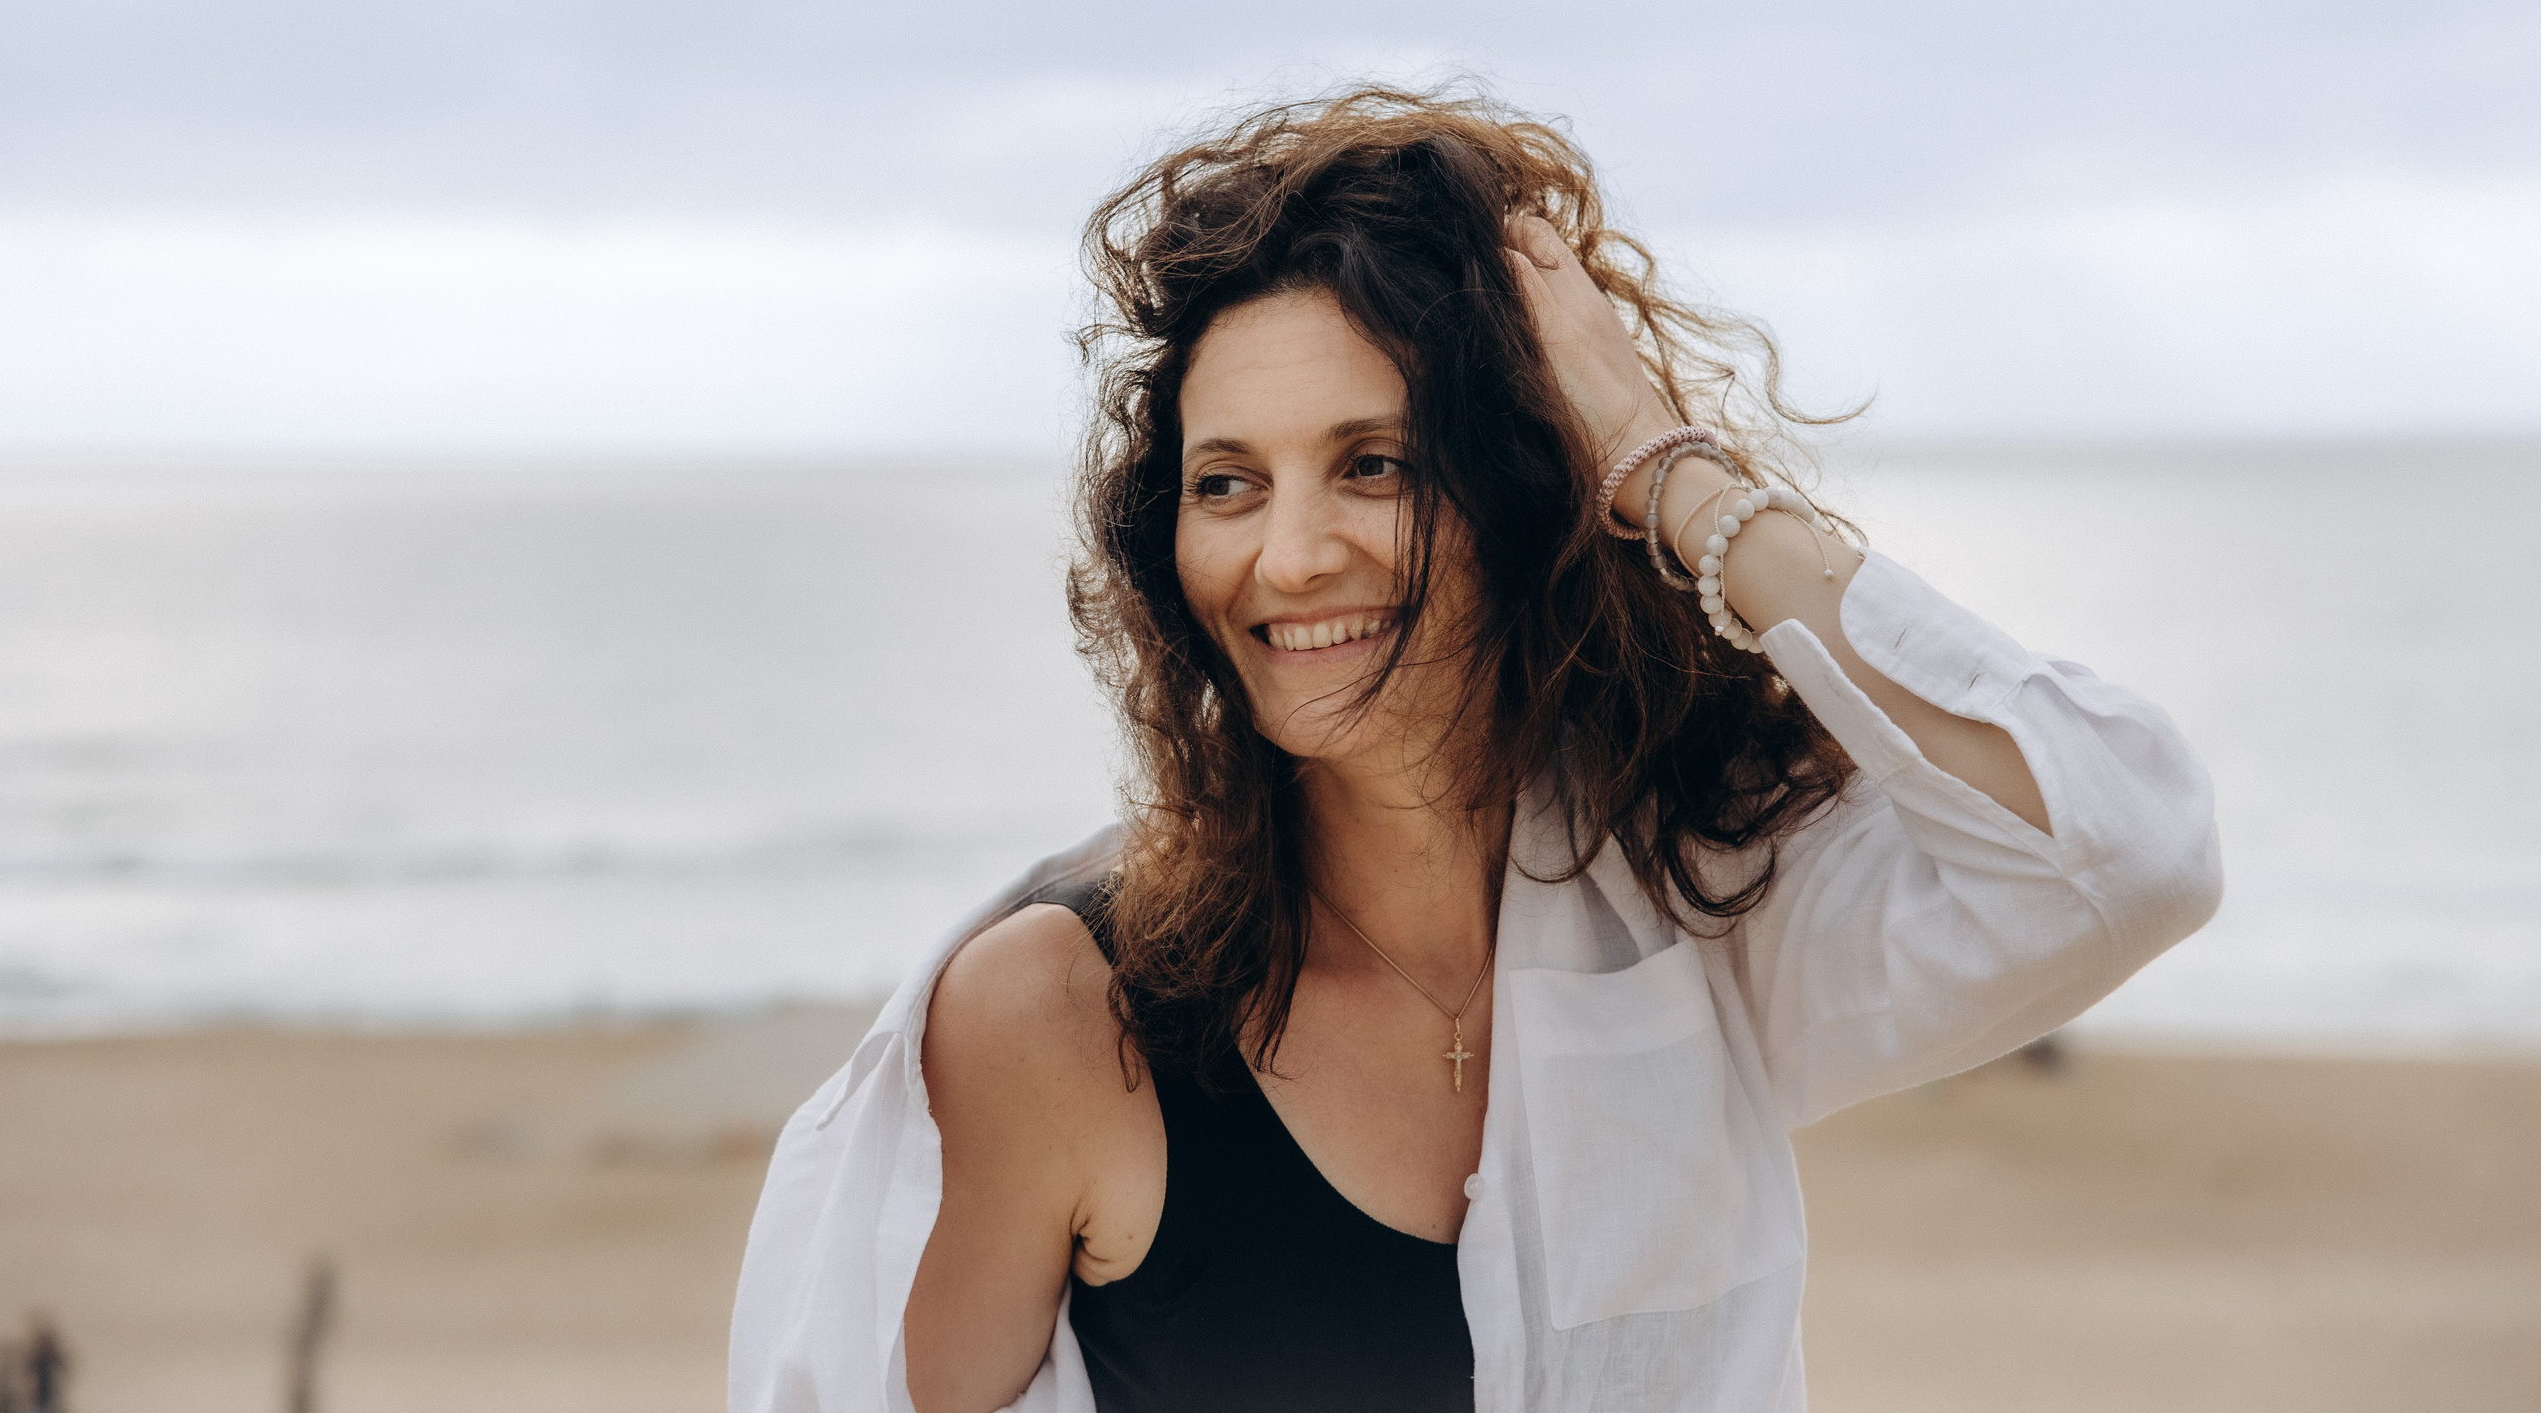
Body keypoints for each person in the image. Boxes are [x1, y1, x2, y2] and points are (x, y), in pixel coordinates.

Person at [728, 88, 2222, 1413]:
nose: (1291, 555)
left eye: (1374, 464)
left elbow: (2126, 848)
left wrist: (1666, 468)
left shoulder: (1697, 904)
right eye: (1228, 484)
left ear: (1526, 489)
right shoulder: (1062, 1015)